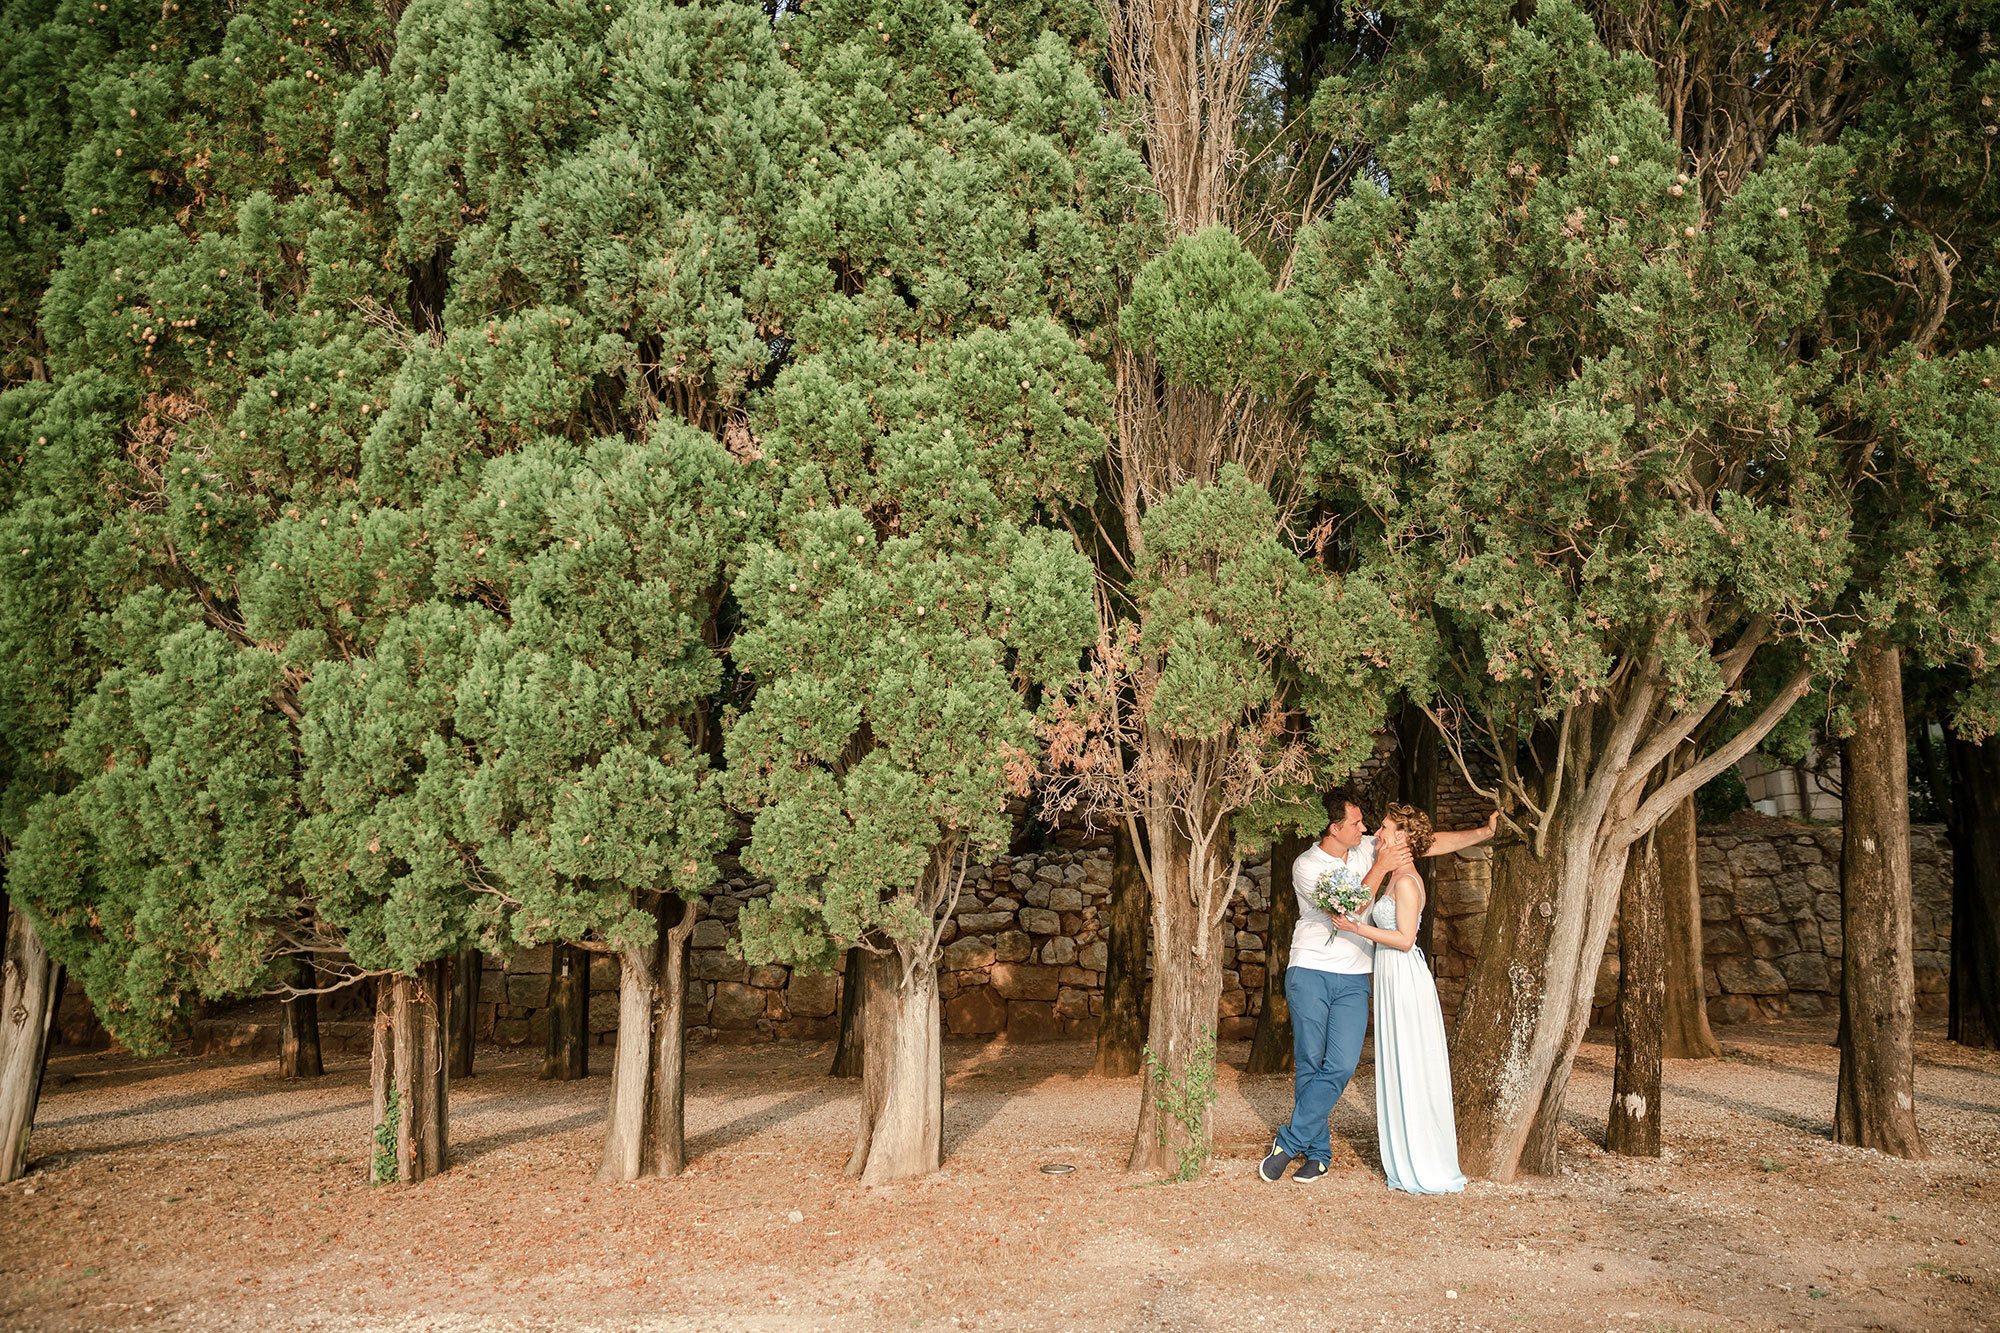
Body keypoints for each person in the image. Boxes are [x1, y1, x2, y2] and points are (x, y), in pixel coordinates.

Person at [1259, 793, 1495, 1184]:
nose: (1366, 829)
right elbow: (1347, 907)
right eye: (1356, 823)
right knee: (1310, 1064)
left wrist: (1484, 831)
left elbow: (1427, 841)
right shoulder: (1307, 865)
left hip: (1354, 976)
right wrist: (1381, 867)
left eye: (1368, 825)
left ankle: (1289, 1141)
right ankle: (1317, 1153)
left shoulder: (1370, 847)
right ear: (1335, 829)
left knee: (1341, 1065)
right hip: (1310, 971)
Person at [1331, 804, 1468, 1194]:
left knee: (1412, 1065)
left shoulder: (1407, 882)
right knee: (1397, 1064)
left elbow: (1406, 939)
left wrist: (1357, 928)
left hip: (1405, 979)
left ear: (1403, 838)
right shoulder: (1393, 876)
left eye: (1386, 828)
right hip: (1390, 978)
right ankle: (1404, 1154)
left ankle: (1424, 1160)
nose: (1378, 833)